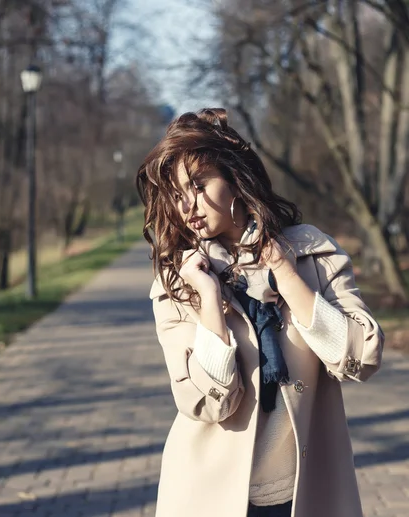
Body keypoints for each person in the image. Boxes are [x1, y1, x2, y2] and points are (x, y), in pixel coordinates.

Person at [136, 108, 384, 517]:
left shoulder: (312, 253)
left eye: (198, 185)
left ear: (235, 177)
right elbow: (204, 402)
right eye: (177, 195)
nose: (188, 206)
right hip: (208, 496)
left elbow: (361, 357)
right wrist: (210, 300)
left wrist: (285, 273)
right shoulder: (179, 282)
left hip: (306, 492)